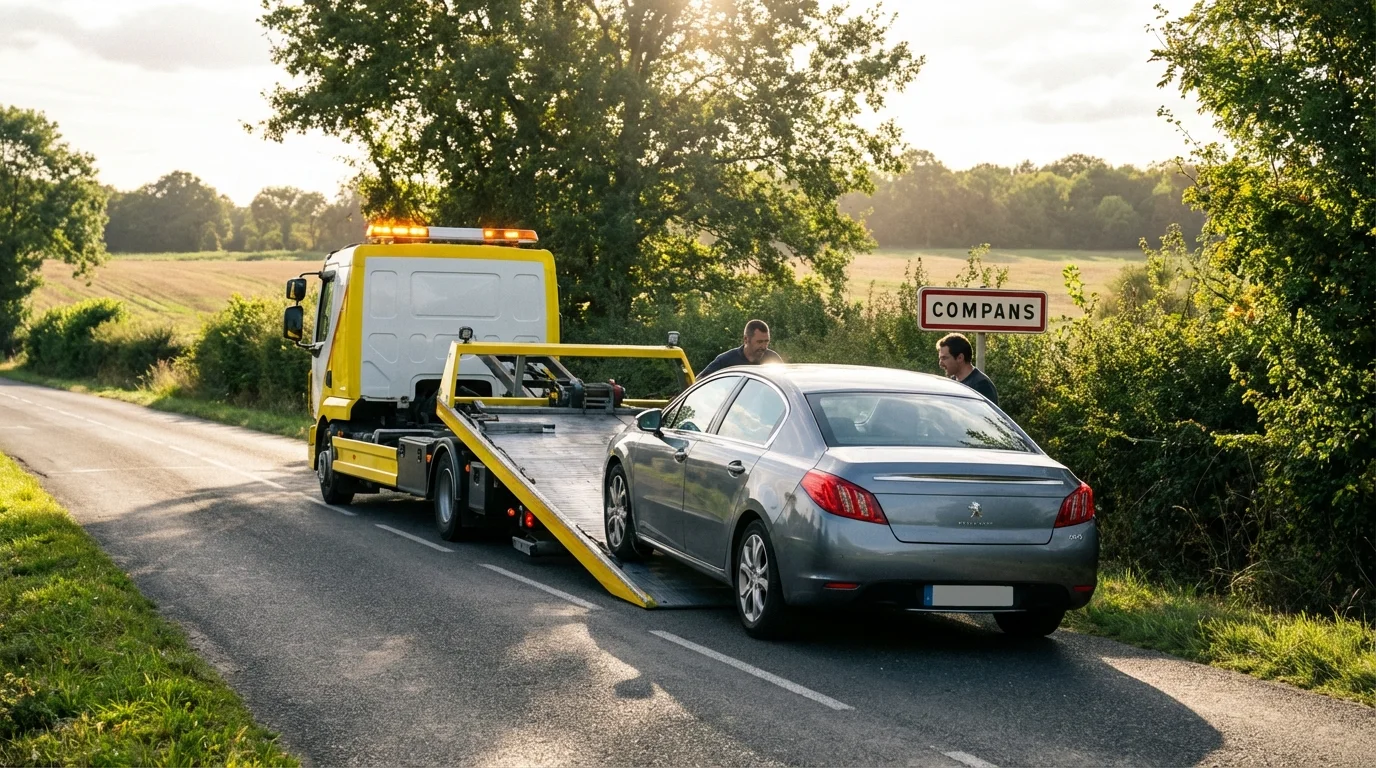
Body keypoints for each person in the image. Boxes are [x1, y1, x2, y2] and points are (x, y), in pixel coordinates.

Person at [699, 319, 783, 377]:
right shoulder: (726, 361)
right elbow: (701, 381)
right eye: (760, 342)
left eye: (766, 341)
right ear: (746, 339)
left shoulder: (773, 360)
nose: (764, 347)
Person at [936, 332, 998, 405]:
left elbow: (986, 415)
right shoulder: (952, 383)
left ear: (960, 358)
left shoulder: (981, 385)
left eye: (944, 358)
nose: (940, 363)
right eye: (940, 359)